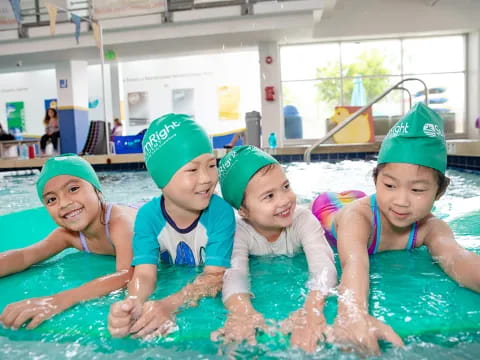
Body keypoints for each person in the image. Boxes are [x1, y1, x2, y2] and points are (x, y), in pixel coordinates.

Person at [311, 102, 480, 355]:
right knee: (344, 209)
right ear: (375, 180)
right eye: (389, 185)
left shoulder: (431, 227)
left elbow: (456, 257)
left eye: (417, 190)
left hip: (364, 202)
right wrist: (352, 314)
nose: (401, 200)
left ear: (439, 192)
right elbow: (354, 263)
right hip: (330, 209)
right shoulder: (359, 219)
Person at [107, 113, 235, 340]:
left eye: (211, 164)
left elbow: (215, 278)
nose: (207, 178)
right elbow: (145, 274)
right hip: (177, 283)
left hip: (204, 299)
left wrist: (169, 305)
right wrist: (133, 304)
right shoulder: (147, 217)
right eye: (192, 169)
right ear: (162, 178)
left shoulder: (220, 213)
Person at [212, 145, 337, 352]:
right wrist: (242, 310)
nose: (284, 200)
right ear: (243, 211)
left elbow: (324, 266)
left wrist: (312, 307)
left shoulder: (303, 219)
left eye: (286, 186)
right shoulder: (239, 232)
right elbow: (235, 273)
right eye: (269, 196)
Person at [0, 154, 136, 329]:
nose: (63, 203)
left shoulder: (120, 224)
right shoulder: (68, 235)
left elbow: (127, 275)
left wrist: (58, 300)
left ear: (97, 190)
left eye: (73, 189)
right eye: (51, 199)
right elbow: (25, 256)